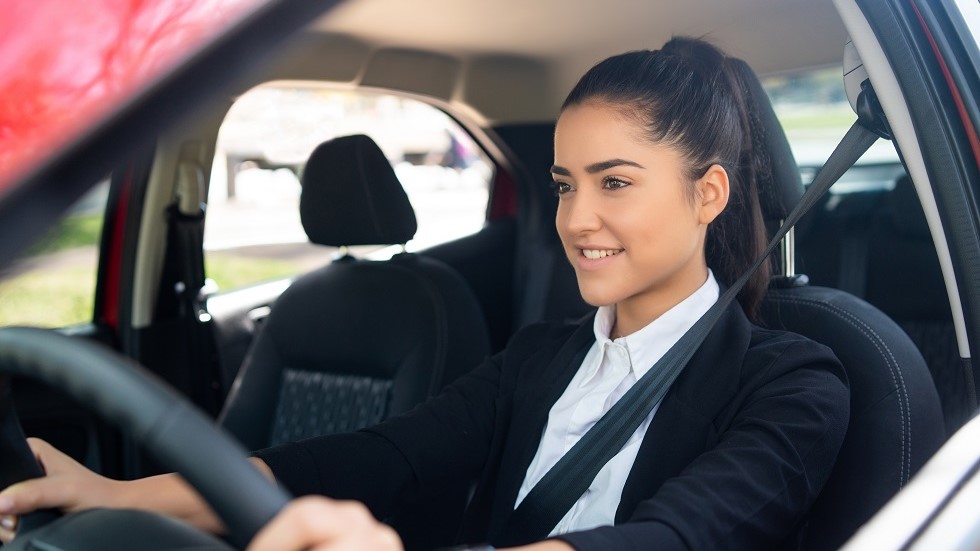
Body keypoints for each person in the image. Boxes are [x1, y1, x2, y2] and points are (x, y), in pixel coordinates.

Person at [0, 37, 849, 551]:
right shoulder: (539, 357)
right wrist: (117, 494)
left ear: (708, 194)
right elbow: (374, 459)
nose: (576, 218)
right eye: (562, 184)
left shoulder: (796, 382)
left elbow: (671, 540)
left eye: (615, 182)